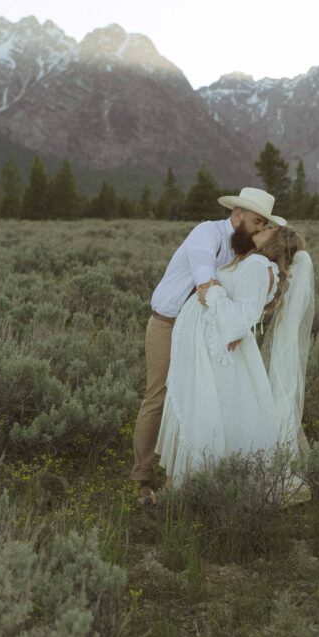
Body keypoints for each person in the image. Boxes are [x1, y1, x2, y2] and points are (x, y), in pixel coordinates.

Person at [131, 187, 286, 505]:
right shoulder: (207, 232)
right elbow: (203, 271)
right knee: (158, 396)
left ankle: (189, 474)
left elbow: (242, 294)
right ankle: (143, 477)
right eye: (257, 221)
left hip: (204, 336)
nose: (259, 228)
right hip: (168, 324)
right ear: (238, 214)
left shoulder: (245, 251)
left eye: (263, 225)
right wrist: (209, 287)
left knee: (199, 399)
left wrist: (235, 326)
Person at [155, 224, 314, 491]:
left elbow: (238, 321)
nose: (261, 228)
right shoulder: (252, 262)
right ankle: (182, 483)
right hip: (202, 340)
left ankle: (186, 485)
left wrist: (212, 292)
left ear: (274, 240)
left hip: (210, 345)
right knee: (201, 406)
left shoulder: (258, 267)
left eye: (268, 228)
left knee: (200, 407)